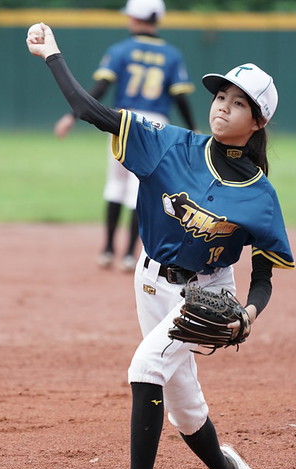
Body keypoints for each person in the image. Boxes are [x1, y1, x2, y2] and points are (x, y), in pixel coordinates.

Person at [27, 22, 294, 469]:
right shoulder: (169, 144)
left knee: (145, 368)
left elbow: (264, 275)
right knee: (185, 406)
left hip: (204, 295)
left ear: (258, 122)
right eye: (221, 96)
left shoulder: (260, 196)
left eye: (238, 104)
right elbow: (91, 110)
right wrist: (53, 54)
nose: (222, 106)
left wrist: (251, 313)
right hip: (149, 281)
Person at [53, 0, 197, 272]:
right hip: (156, 127)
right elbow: (180, 98)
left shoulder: (120, 50)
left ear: (135, 18)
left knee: (115, 184)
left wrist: (71, 116)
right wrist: (194, 128)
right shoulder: (172, 55)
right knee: (140, 189)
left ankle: (107, 250)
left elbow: (100, 87)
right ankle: (130, 255)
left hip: (122, 122)